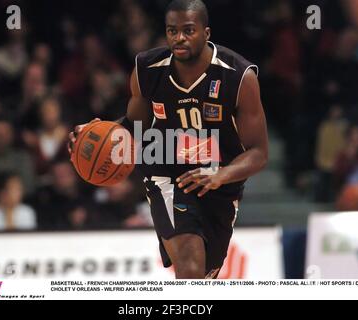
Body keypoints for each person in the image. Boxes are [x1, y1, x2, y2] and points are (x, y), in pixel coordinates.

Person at [68, 0, 268, 279]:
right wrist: (96, 133)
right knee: (189, 265)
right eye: (172, 31)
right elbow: (133, 126)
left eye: (188, 30)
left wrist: (221, 175)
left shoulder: (238, 77)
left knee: (204, 276)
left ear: (206, 33)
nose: (179, 38)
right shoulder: (147, 69)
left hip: (219, 181)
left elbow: (258, 152)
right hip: (165, 171)